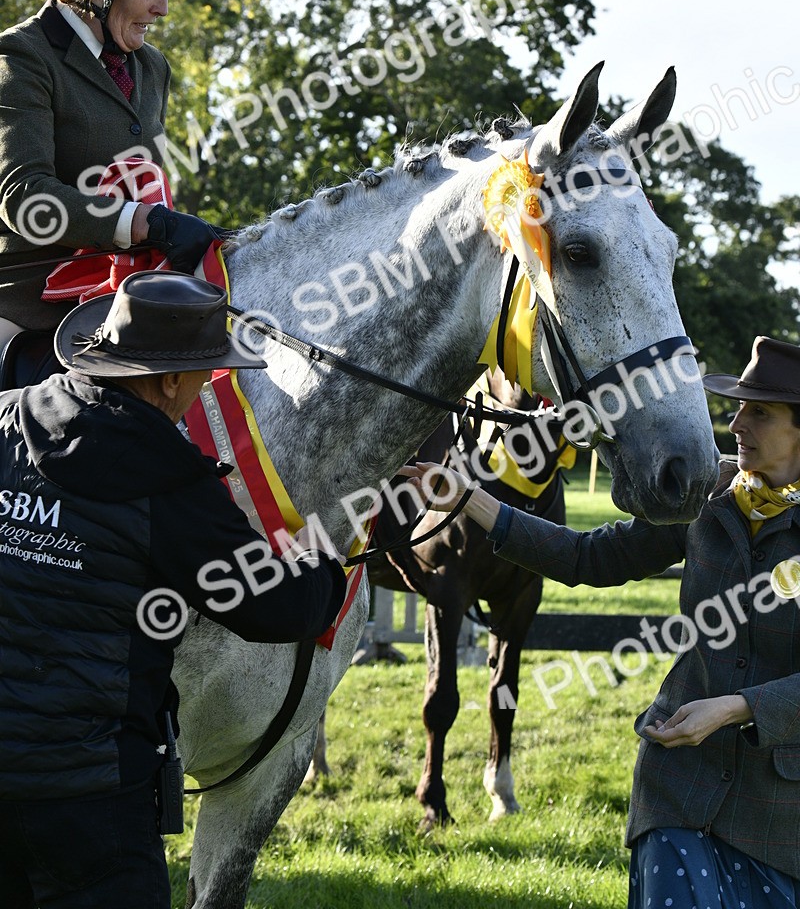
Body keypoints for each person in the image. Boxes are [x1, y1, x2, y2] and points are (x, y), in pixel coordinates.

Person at [403, 335, 800, 908]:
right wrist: (471, 501)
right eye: (736, 405)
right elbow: (588, 557)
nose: (735, 422)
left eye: (759, 411)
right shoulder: (709, 496)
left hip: (779, 816)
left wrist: (738, 708)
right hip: (677, 787)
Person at [0, 270, 347, 909]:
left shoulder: (7, 415)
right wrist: (324, 565)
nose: (203, 390)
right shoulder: (168, 480)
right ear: (168, 381)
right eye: (204, 374)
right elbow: (275, 605)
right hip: (90, 792)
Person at [0, 0, 219, 350]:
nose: (161, 8)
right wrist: (141, 221)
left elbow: (144, 181)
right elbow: (24, 198)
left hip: (124, 303)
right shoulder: (21, 57)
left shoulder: (151, 67)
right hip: (29, 316)